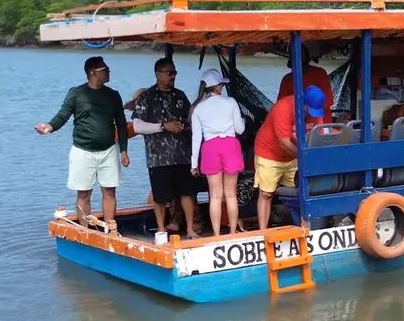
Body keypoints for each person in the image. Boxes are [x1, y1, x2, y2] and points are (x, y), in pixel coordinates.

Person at [35, 55, 130, 234]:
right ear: (92, 72)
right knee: (84, 193)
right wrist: (50, 127)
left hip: (109, 150)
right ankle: (85, 231)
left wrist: (124, 150)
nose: (109, 71)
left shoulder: (113, 95)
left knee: (109, 191)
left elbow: (122, 125)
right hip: (82, 150)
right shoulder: (77, 93)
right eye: (105, 69)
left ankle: (110, 229)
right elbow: (63, 114)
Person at [130, 58, 198, 239]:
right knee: (160, 197)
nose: (173, 76)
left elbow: (191, 118)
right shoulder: (147, 97)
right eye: (169, 73)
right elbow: (137, 126)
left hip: (183, 155)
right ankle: (161, 229)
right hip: (158, 157)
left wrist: (186, 125)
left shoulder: (180, 95)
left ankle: (190, 229)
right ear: (157, 73)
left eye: (174, 73)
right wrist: (162, 126)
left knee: (187, 193)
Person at [253, 85, 326, 230]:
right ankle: (262, 232)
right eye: (309, 110)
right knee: (266, 194)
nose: (312, 114)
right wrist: (305, 159)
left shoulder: (316, 113)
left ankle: (303, 226)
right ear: (302, 103)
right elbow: (284, 143)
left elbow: (319, 137)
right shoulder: (283, 108)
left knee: (302, 190)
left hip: (292, 157)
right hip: (269, 153)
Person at [189, 68, 246, 236]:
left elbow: (196, 138)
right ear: (218, 86)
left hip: (210, 148)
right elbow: (240, 130)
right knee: (231, 194)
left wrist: (193, 164)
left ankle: (215, 234)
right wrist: (242, 120)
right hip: (230, 146)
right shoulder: (231, 102)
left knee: (214, 196)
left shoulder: (198, 109)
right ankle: (233, 231)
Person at [277, 43, 333, 123]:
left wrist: (307, 111)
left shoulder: (319, 73)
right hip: (296, 124)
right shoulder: (287, 79)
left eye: (300, 56)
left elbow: (328, 101)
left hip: (321, 124)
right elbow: (281, 105)